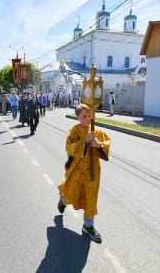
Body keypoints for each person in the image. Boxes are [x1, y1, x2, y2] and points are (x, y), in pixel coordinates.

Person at [57, 103, 111, 243]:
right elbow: (69, 148)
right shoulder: (74, 131)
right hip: (77, 171)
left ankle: (88, 226)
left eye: (89, 115)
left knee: (91, 198)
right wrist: (85, 141)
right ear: (78, 118)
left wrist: (98, 145)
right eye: (84, 116)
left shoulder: (97, 131)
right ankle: (63, 199)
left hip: (93, 172)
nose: (88, 118)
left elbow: (106, 144)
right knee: (71, 193)